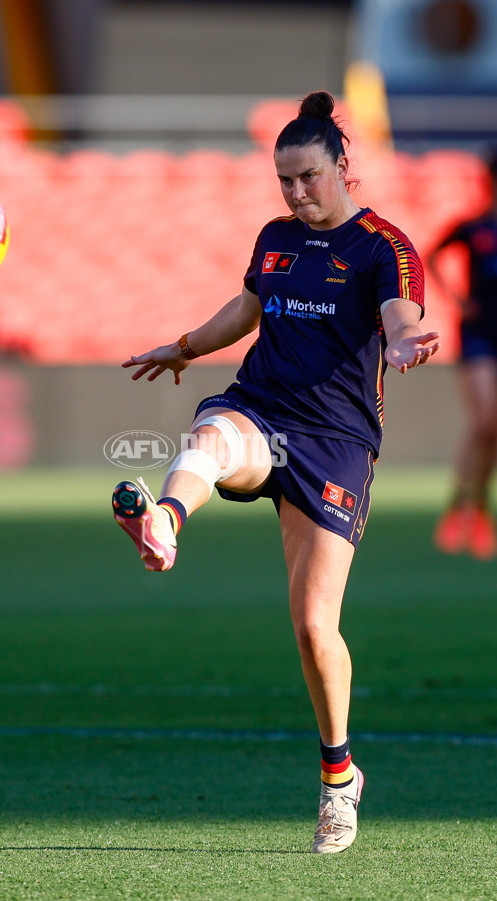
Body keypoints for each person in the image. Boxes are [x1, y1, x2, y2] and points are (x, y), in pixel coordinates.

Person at [112, 91, 440, 854]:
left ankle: (339, 777)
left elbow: (400, 314)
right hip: (263, 411)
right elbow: (248, 309)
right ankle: (164, 521)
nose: (295, 193)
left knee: (311, 625)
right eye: (284, 180)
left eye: (308, 177)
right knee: (215, 433)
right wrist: (186, 346)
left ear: (342, 167)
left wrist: (405, 340)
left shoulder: (384, 247)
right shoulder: (275, 238)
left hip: (335, 444)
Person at [429, 147, 497, 560]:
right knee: (487, 421)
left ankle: (477, 510)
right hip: (477, 337)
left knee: (494, 428)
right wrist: (457, 299)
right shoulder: (474, 227)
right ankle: (460, 506)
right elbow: (432, 256)